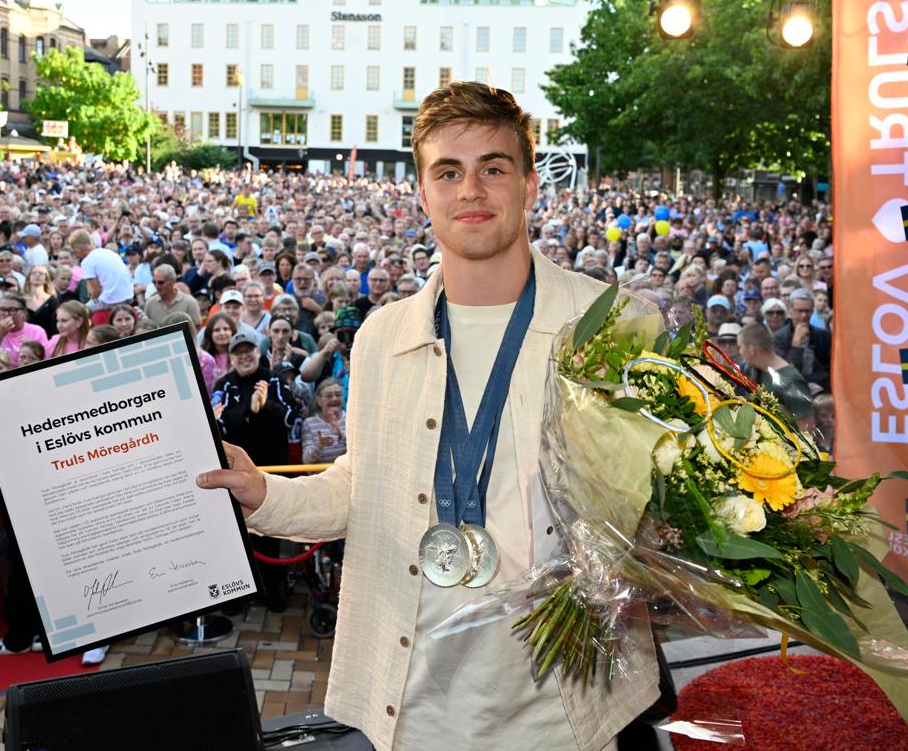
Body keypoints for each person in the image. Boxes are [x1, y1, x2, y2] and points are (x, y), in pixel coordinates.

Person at [197, 82, 659, 751]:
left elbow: (656, 512)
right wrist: (262, 493)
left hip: (563, 708)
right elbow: (358, 490)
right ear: (422, 191)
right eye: (449, 171)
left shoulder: (612, 326)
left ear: (529, 185)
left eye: (493, 168)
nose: (470, 189)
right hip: (412, 704)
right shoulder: (383, 337)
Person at [212, 332, 301, 612]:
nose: (244, 356)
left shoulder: (273, 379)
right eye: (238, 352)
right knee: (238, 536)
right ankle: (240, 593)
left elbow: (291, 416)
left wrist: (264, 406)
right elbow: (221, 426)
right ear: (231, 356)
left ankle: (273, 588)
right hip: (235, 475)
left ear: (258, 351)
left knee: (270, 533)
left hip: (271, 471)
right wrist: (249, 412)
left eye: (249, 350)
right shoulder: (223, 384)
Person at [736, 323, 814, 425]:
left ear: (752, 350)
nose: (740, 352)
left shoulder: (791, 383)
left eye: (741, 347)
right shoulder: (752, 369)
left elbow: (807, 428)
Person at [0, 294, 48, 367]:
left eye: (12, 310)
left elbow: (45, 360)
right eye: (2, 309)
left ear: (23, 313)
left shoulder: (37, 331)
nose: (6, 314)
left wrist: (31, 347)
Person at [300, 377, 346, 464]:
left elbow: (359, 452)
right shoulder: (309, 423)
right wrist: (320, 445)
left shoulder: (350, 419)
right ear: (319, 401)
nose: (334, 399)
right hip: (320, 476)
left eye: (338, 394)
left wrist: (340, 434)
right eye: (329, 396)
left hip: (344, 475)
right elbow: (306, 460)